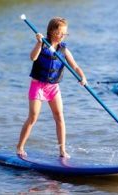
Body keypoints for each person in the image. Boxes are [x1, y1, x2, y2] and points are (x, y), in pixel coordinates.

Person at [16, 17, 87, 158]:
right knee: (33, 117)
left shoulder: (64, 49)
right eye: (61, 32)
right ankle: (20, 147)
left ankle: (62, 151)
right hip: (38, 86)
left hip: (53, 87)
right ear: (52, 31)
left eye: (65, 33)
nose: (63, 36)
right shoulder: (42, 44)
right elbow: (33, 57)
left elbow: (75, 66)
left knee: (60, 117)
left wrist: (82, 77)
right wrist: (38, 43)